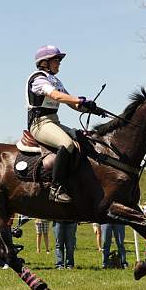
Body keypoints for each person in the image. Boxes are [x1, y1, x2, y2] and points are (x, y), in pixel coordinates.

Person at [26, 45, 102, 203]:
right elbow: (56, 96)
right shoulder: (38, 78)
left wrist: (92, 108)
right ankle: (56, 187)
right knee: (67, 144)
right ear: (44, 63)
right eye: (56, 60)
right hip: (39, 124)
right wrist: (78, 99)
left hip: (54, 122)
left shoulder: (56, 81)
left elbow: (73, 104)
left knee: (83, 138)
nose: (59, 63)